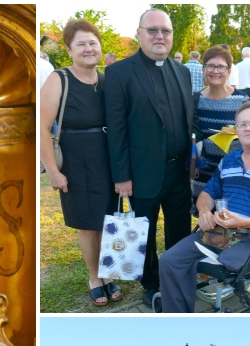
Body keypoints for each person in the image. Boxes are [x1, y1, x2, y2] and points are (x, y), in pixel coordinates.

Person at [158, 102, 250, 312]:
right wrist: (204, 211)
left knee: (227, 262)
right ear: (237, 131)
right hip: (220, 231)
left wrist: (248, 222)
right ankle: (177, 318)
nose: (248, 128)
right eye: (242, 124)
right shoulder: (229, 161)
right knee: (169, 260)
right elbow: (208, 193)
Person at [104, 8, 194, 308]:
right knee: (144, 232)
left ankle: (177, 276)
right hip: (141, 172)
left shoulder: (182, 71)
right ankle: (151, 282)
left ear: (172, 36)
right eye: (152, 30)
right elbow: (116, 130)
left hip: (179, 171)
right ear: (139, 34)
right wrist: (121, 176)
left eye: (165, 31)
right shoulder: (119, 73)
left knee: (179, 229)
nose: (159, 36)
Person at [40, 19, 121, 306]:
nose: (88, 49)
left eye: (93, 43)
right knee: (87, 225)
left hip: (108, 162)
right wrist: (53, 171)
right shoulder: (59, 79)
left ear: (100, 47)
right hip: (75, 163)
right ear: (69, 49)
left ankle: (108, 273)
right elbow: (42, 128)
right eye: (81, 44)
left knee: (107, 222)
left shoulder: (109, 80)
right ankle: (94, 277)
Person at [191, 46, 249, 199]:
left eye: (221, 67)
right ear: (203, 70)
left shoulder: (242, 100)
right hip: (202, 176)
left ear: (229, 72)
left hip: (233, 176)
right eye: (210, 66)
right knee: (203, 212)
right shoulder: (194, 100)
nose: (215, 71)